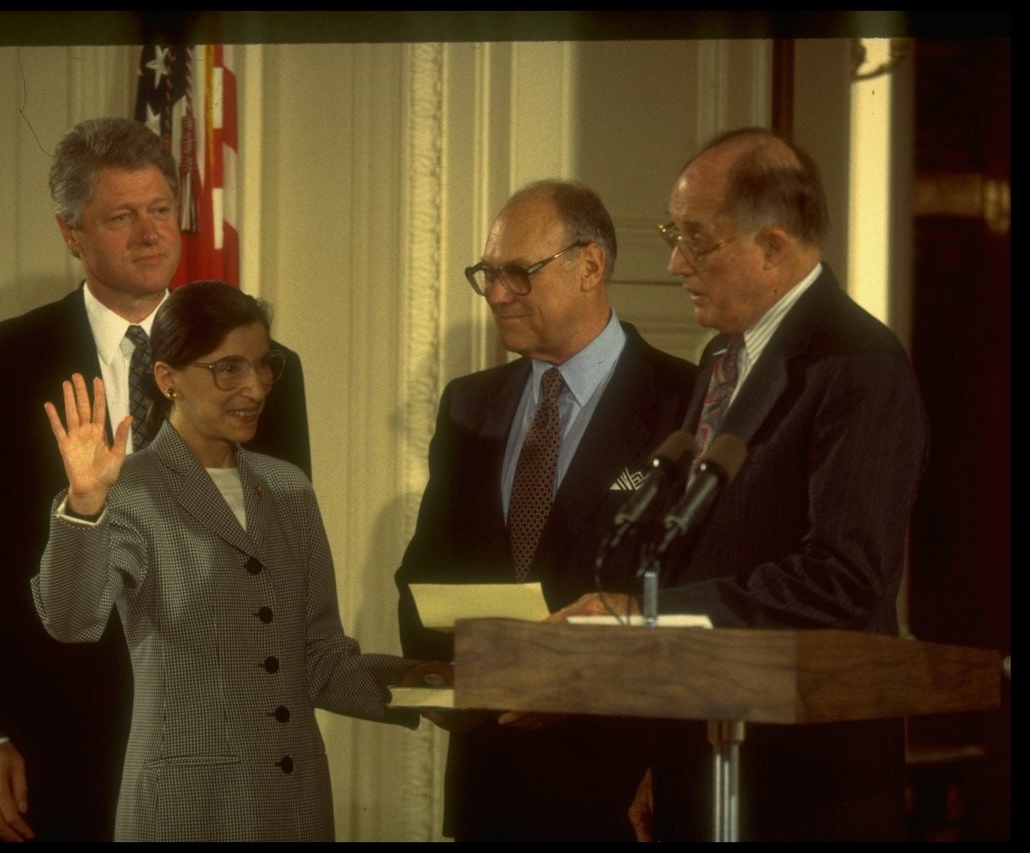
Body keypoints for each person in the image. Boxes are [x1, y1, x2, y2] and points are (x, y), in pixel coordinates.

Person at [0, 117, 311, 842]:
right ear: (72, 233)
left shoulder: (263, 364)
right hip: (55, 739)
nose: (150, 233)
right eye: (121, 216)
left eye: (161, 209)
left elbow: (280, 559)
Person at [560, 128, 930, 841]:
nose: (674, 262)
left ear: (774, 246)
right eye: (675, 233)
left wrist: (645, 612)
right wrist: (662, 752)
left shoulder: (859, 364)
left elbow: (843, 578)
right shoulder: (724, 357)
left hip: (804, 786)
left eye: (697, 239)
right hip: (704, 761)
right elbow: (699, 551)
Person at [32, 280, 421, 841]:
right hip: (185, 811)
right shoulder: (128, 489)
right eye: (229, 369)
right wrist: (86, 502)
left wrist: (426, 686)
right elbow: (72, 621)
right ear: (168, 380)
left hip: (295, 808)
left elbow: (318, 656)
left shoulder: (288, 489)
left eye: (264, 367)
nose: (256, 388)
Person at [394, 180, 698, 840]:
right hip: (491, 785)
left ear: (590, 265)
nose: (497, 294)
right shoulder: (468, 404)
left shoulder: (686, 402)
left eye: (517, 273)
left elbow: (693, 597)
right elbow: (424, 574)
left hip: (620, 790)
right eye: (488, 274)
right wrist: (451, 678)